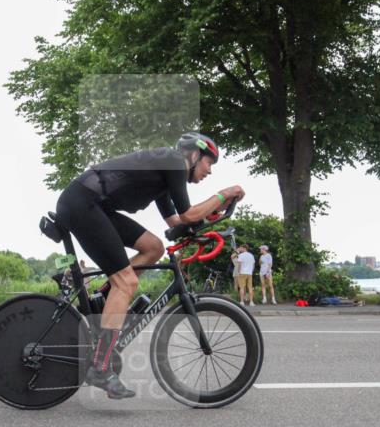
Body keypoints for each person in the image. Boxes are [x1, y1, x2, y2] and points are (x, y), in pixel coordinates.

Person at [54, 132, 245, 399]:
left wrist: (204, 227)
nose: (209, 171)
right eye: (209, 163)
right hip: (82, 204)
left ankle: (103, 297)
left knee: (153, 248)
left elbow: (177, 223)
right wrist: (224, 194)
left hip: (93, 206)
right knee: (127, 282)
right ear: (194, 155)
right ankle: (100, 367)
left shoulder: (165, 177)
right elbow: (188, 214)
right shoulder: (174, 162)